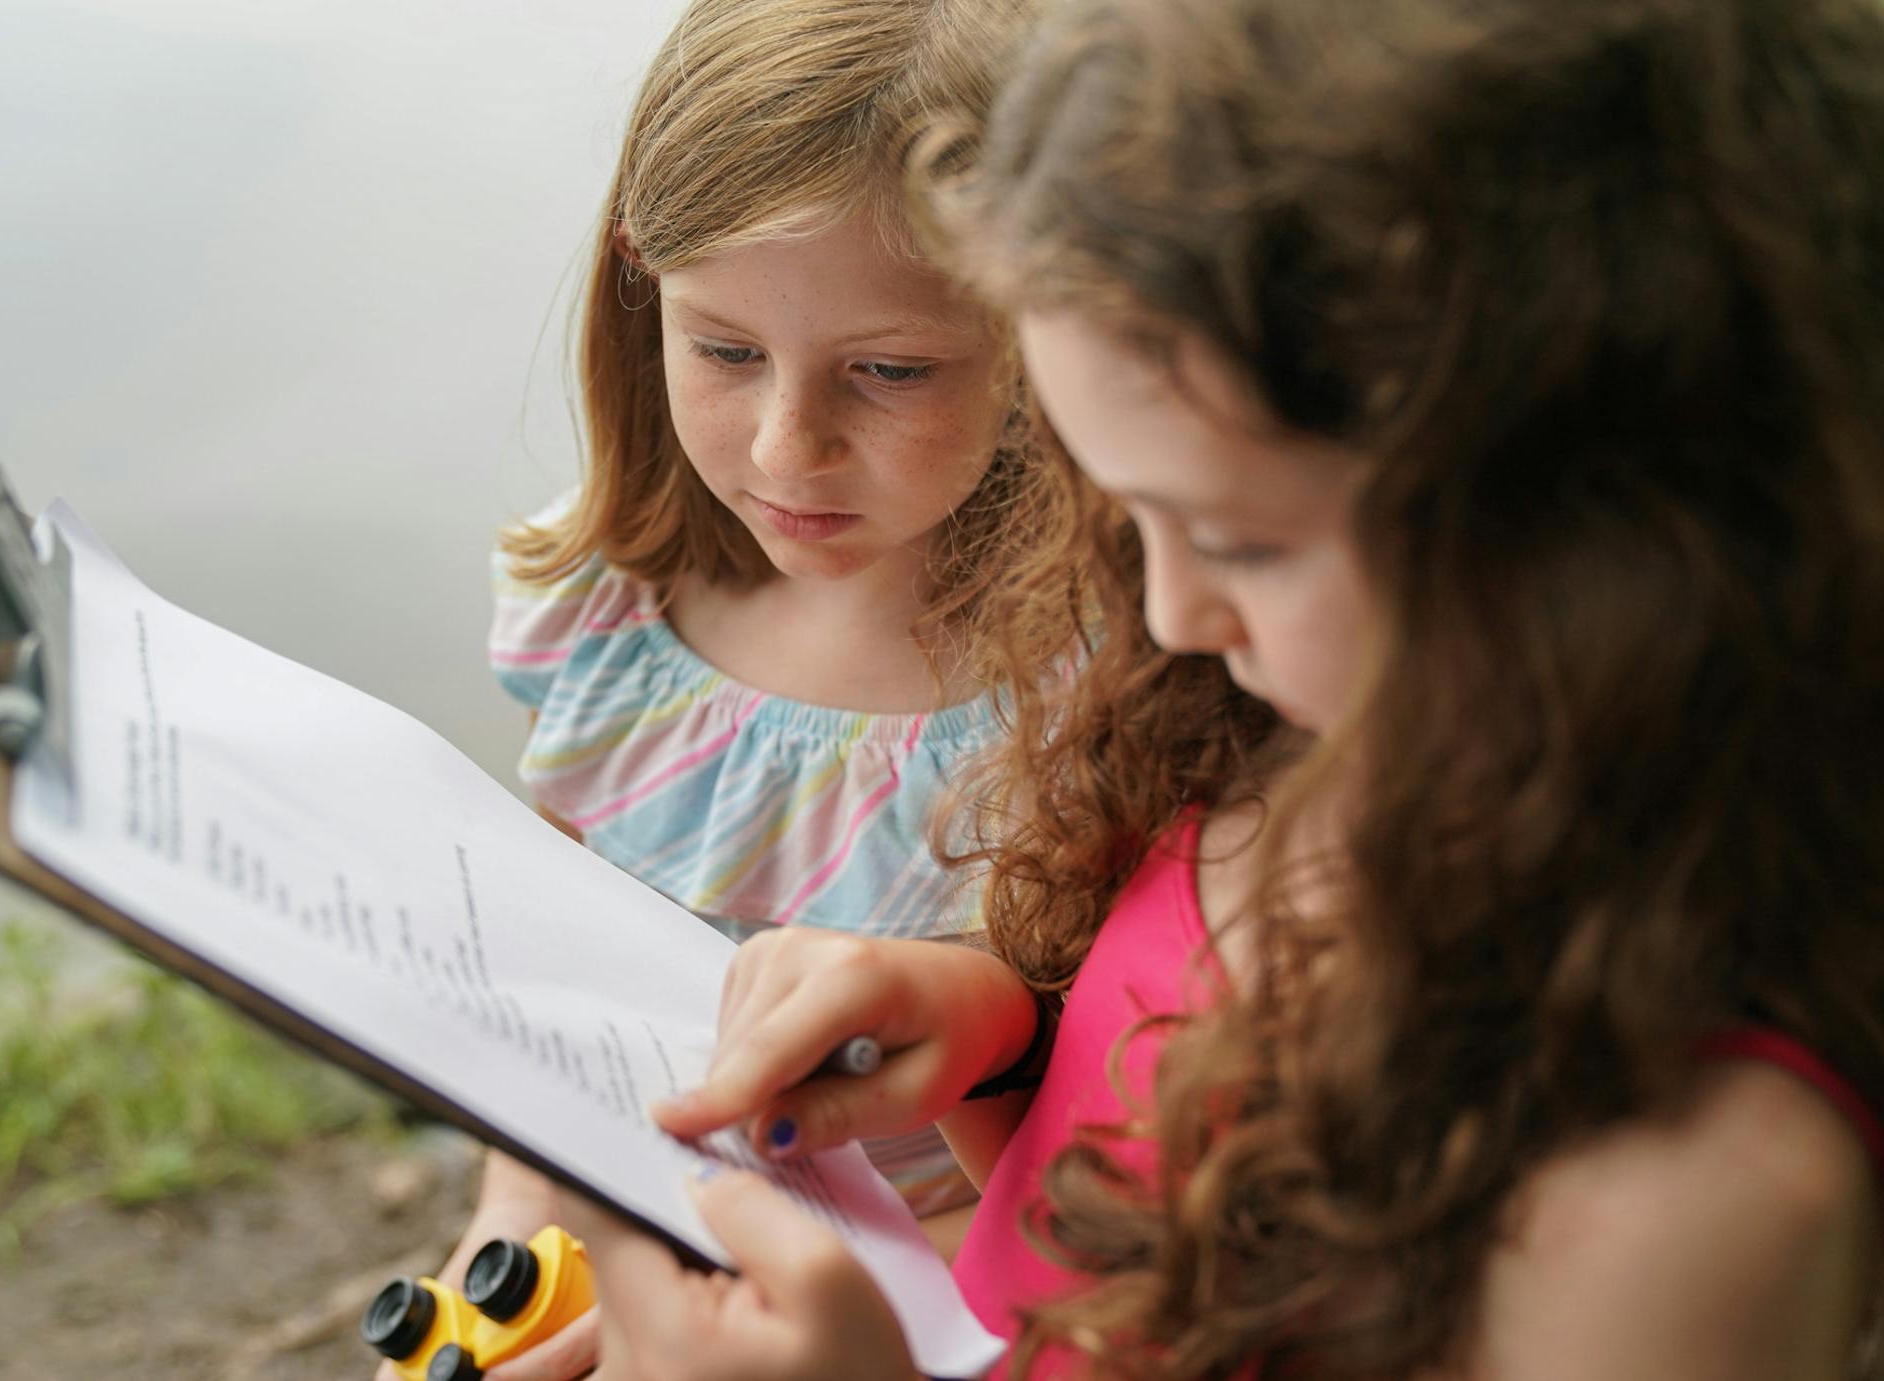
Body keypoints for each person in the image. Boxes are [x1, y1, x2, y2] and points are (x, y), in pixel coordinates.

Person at [572, 0, 1884, 1376]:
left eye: (1240, 538)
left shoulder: (1683, 1204)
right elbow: (1107, 1220)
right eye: (1127, 516)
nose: (1163, 611)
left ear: (1603, 528)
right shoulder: (1247, 738)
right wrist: (999, 1038)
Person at [397, 1, 1059, 1377]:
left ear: (1039, 330)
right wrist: (504, 1248)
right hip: (628, 1250)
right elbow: (560, 1020)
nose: (786, 446)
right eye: (724, 349)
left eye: (888, 371)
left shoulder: (1105, 680)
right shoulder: (598, 611)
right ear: (640, 278)